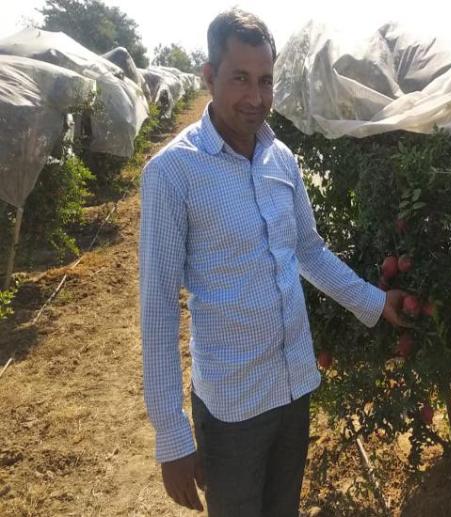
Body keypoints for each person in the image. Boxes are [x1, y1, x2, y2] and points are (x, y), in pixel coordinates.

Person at [138, 8, 406, 515]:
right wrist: (171, 434)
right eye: (240, 78)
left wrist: (375, 301)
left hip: (293, 387)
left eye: (266, 81)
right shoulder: (172, 174)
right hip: (233, 407)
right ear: (209, 76)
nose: (256, 98)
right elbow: (156, 310)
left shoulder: (280, 159)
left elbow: (308, 250)